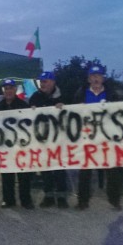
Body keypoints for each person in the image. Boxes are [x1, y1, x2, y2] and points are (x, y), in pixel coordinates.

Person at [73, 65, 123, 211]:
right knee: (85, 171)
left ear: (103, 78)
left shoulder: (112, 94)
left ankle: (114, 199)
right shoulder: (81, 93)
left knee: (113, 170)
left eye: (98, 76)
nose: (96, 78)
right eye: (93, 76)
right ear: (89, 79)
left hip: (108, 138)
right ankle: (82, 200)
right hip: (87, 138)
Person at [28, 71, 69, 209]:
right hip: (43, 139)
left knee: (59, 168)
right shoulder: (35, 97)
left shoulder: (63, 96)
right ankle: (49, 196)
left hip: (59, 139)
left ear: (53, 82)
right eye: (41, 81)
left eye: (45, 81)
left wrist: (64, 108)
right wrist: (31, 110)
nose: (42, 84)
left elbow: (72, 113)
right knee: (45, 168)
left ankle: (62, 197)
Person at [0, 78, 34, 209]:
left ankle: (26, 199)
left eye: (11, 88)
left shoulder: (24, 105)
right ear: (3, 91)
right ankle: (8, 199)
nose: (9, 91)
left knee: (24, 175)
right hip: (5, 147)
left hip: (21, 146)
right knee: (7, 174)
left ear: (15, 90)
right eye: (6, 89)